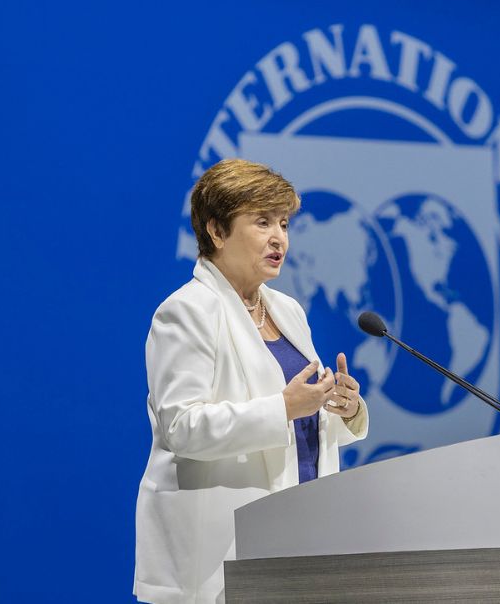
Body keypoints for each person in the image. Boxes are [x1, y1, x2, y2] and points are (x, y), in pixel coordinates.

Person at [134, 159, 368, 604]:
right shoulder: (187, 312)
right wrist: (283, 407)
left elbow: (299, 421)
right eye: (261, 222)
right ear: (217, 231)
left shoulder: (288, 310)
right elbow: (182, 428)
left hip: (297, 537)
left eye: (283, 222)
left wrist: (342, 408)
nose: (279, 237)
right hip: (217, 552)